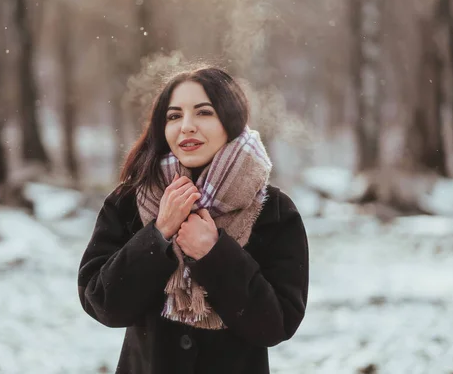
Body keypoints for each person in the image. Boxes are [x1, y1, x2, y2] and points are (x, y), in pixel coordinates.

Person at [77, 66, 309, 374]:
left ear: (231, 120)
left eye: (203, 113)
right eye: (174, 116)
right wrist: (158, 234)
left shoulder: (273, 211)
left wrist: (214, 254)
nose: (186, 127)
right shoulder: (130, 201)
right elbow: (103, 304)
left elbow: (275, 324)